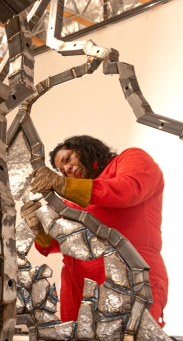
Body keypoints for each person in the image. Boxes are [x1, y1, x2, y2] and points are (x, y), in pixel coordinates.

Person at [20, 135, 167, 327]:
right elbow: (60, 242)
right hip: (78, 290)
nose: (67, 170)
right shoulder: (73, 199)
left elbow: (127, 191)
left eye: (68, 159)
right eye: (62, 172)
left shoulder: (131, 158)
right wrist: (39, 229)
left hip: (130, 276)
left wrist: (64, 185)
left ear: (86, 147)